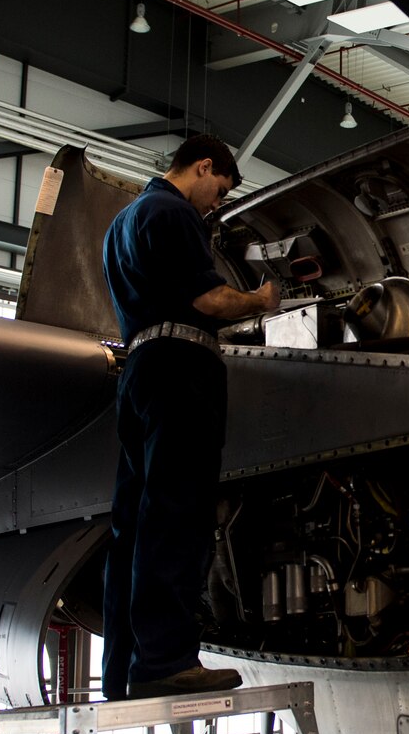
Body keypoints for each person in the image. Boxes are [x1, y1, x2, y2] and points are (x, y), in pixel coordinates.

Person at [100, 135, 278, 700]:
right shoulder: (173, 212)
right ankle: (168, 661)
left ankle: (123, 669)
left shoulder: (121, 223)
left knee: (134, 523)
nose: (215, 205)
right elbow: (208, 302)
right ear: (203, 167)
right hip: (182, 368)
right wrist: (263, 299)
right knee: (178, 516)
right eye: (219, 190)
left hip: (139, 372)